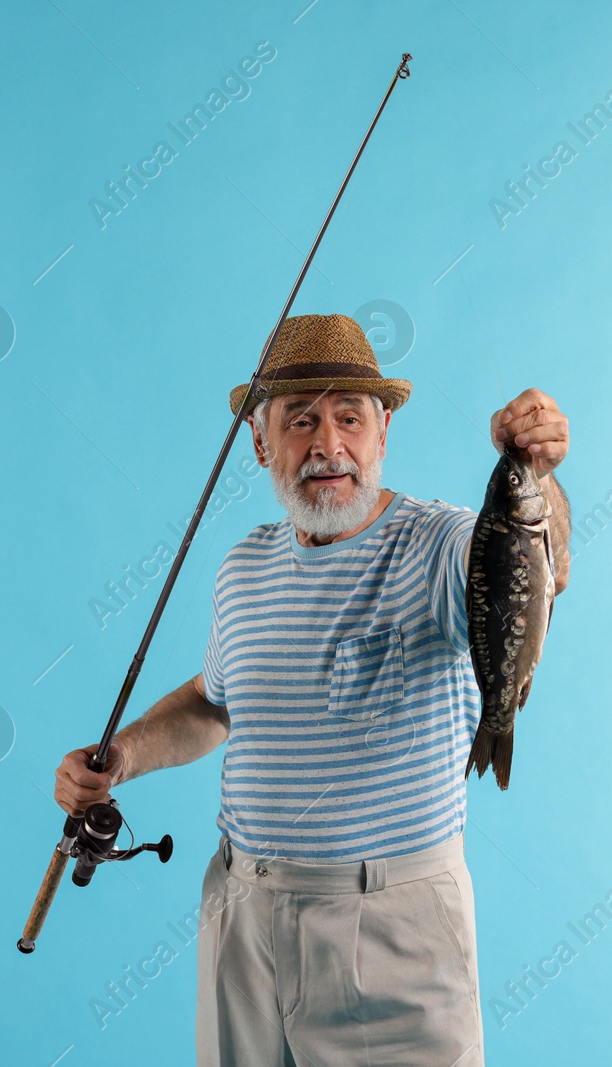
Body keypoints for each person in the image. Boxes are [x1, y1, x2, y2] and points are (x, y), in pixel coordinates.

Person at [53, 313, 572, 1066]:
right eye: (301, 419)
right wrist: (120, 756)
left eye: (349, 417)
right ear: (263, 443)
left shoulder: (439, 542)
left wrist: (540, 474)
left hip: (389, 926)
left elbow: (537, 565)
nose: (328, 443)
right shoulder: (244, 567)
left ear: (382, 431)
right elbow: (214, 702)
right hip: (241, 915)